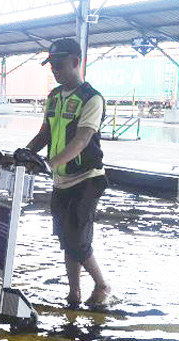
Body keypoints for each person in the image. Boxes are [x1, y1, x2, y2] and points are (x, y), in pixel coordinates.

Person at [24, 38, 110, 306]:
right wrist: (25, 154)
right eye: (52, 66)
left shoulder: (91, 99)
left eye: (59, 65)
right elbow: (45, 133)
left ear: (76, 61)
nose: (55, 71)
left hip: (87, 179)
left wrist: (49, 162)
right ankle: (74, 293)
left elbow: (82, 140)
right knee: (65, 238)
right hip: (61, 181)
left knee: (76, 239)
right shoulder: (54, 97)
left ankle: (103, 285)